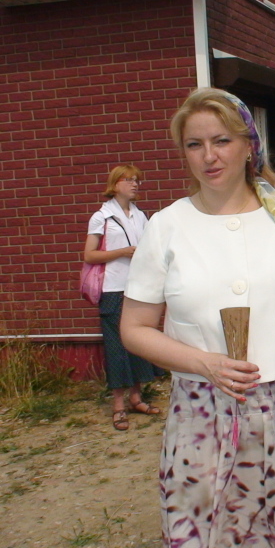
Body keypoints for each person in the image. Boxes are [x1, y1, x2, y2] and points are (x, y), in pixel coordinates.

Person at [120, 88, 275, 548]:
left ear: (248, 145)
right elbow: (133, 328)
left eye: (221, 141)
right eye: (194, 145)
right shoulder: (167, 226)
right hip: (201, 419)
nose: (209, 156)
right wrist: (205, 363)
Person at [83, 164, 160, 431]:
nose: (135, 184)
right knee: (116, 348)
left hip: (137, 287)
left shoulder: (141, 216)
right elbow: (89, 255)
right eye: (129, 180)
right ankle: (118, 406)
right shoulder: (101, 217)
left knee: (137, 342)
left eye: (137, 180)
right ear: (115, 184)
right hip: (113, 289)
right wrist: (122, 252)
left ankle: (136, 398)